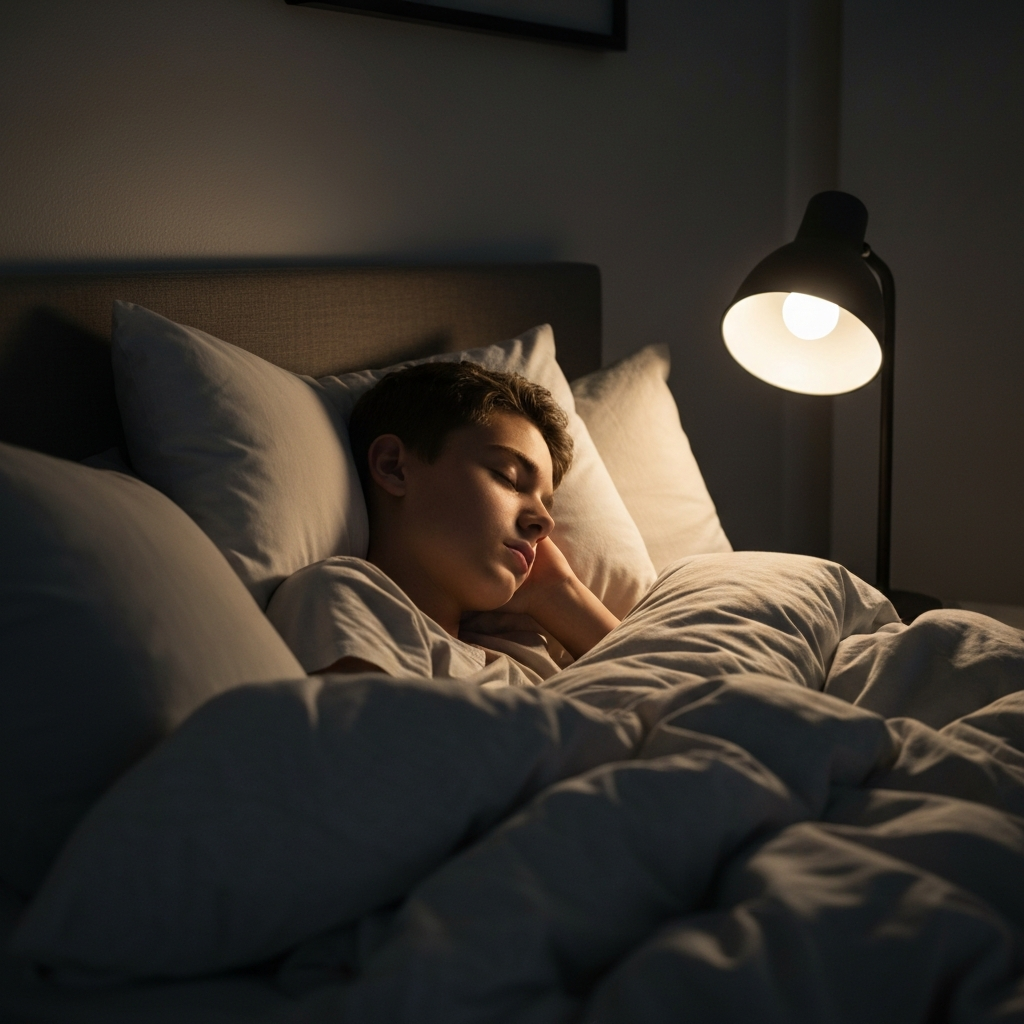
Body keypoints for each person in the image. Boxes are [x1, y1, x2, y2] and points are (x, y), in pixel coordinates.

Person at [265, 361, 619, 686]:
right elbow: (364, 748)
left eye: (546, 504)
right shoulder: (341, 596)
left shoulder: (529, 651)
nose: (544, 522)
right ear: (393, 466)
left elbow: (663, 687)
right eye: (508, 478)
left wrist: (560, 594)